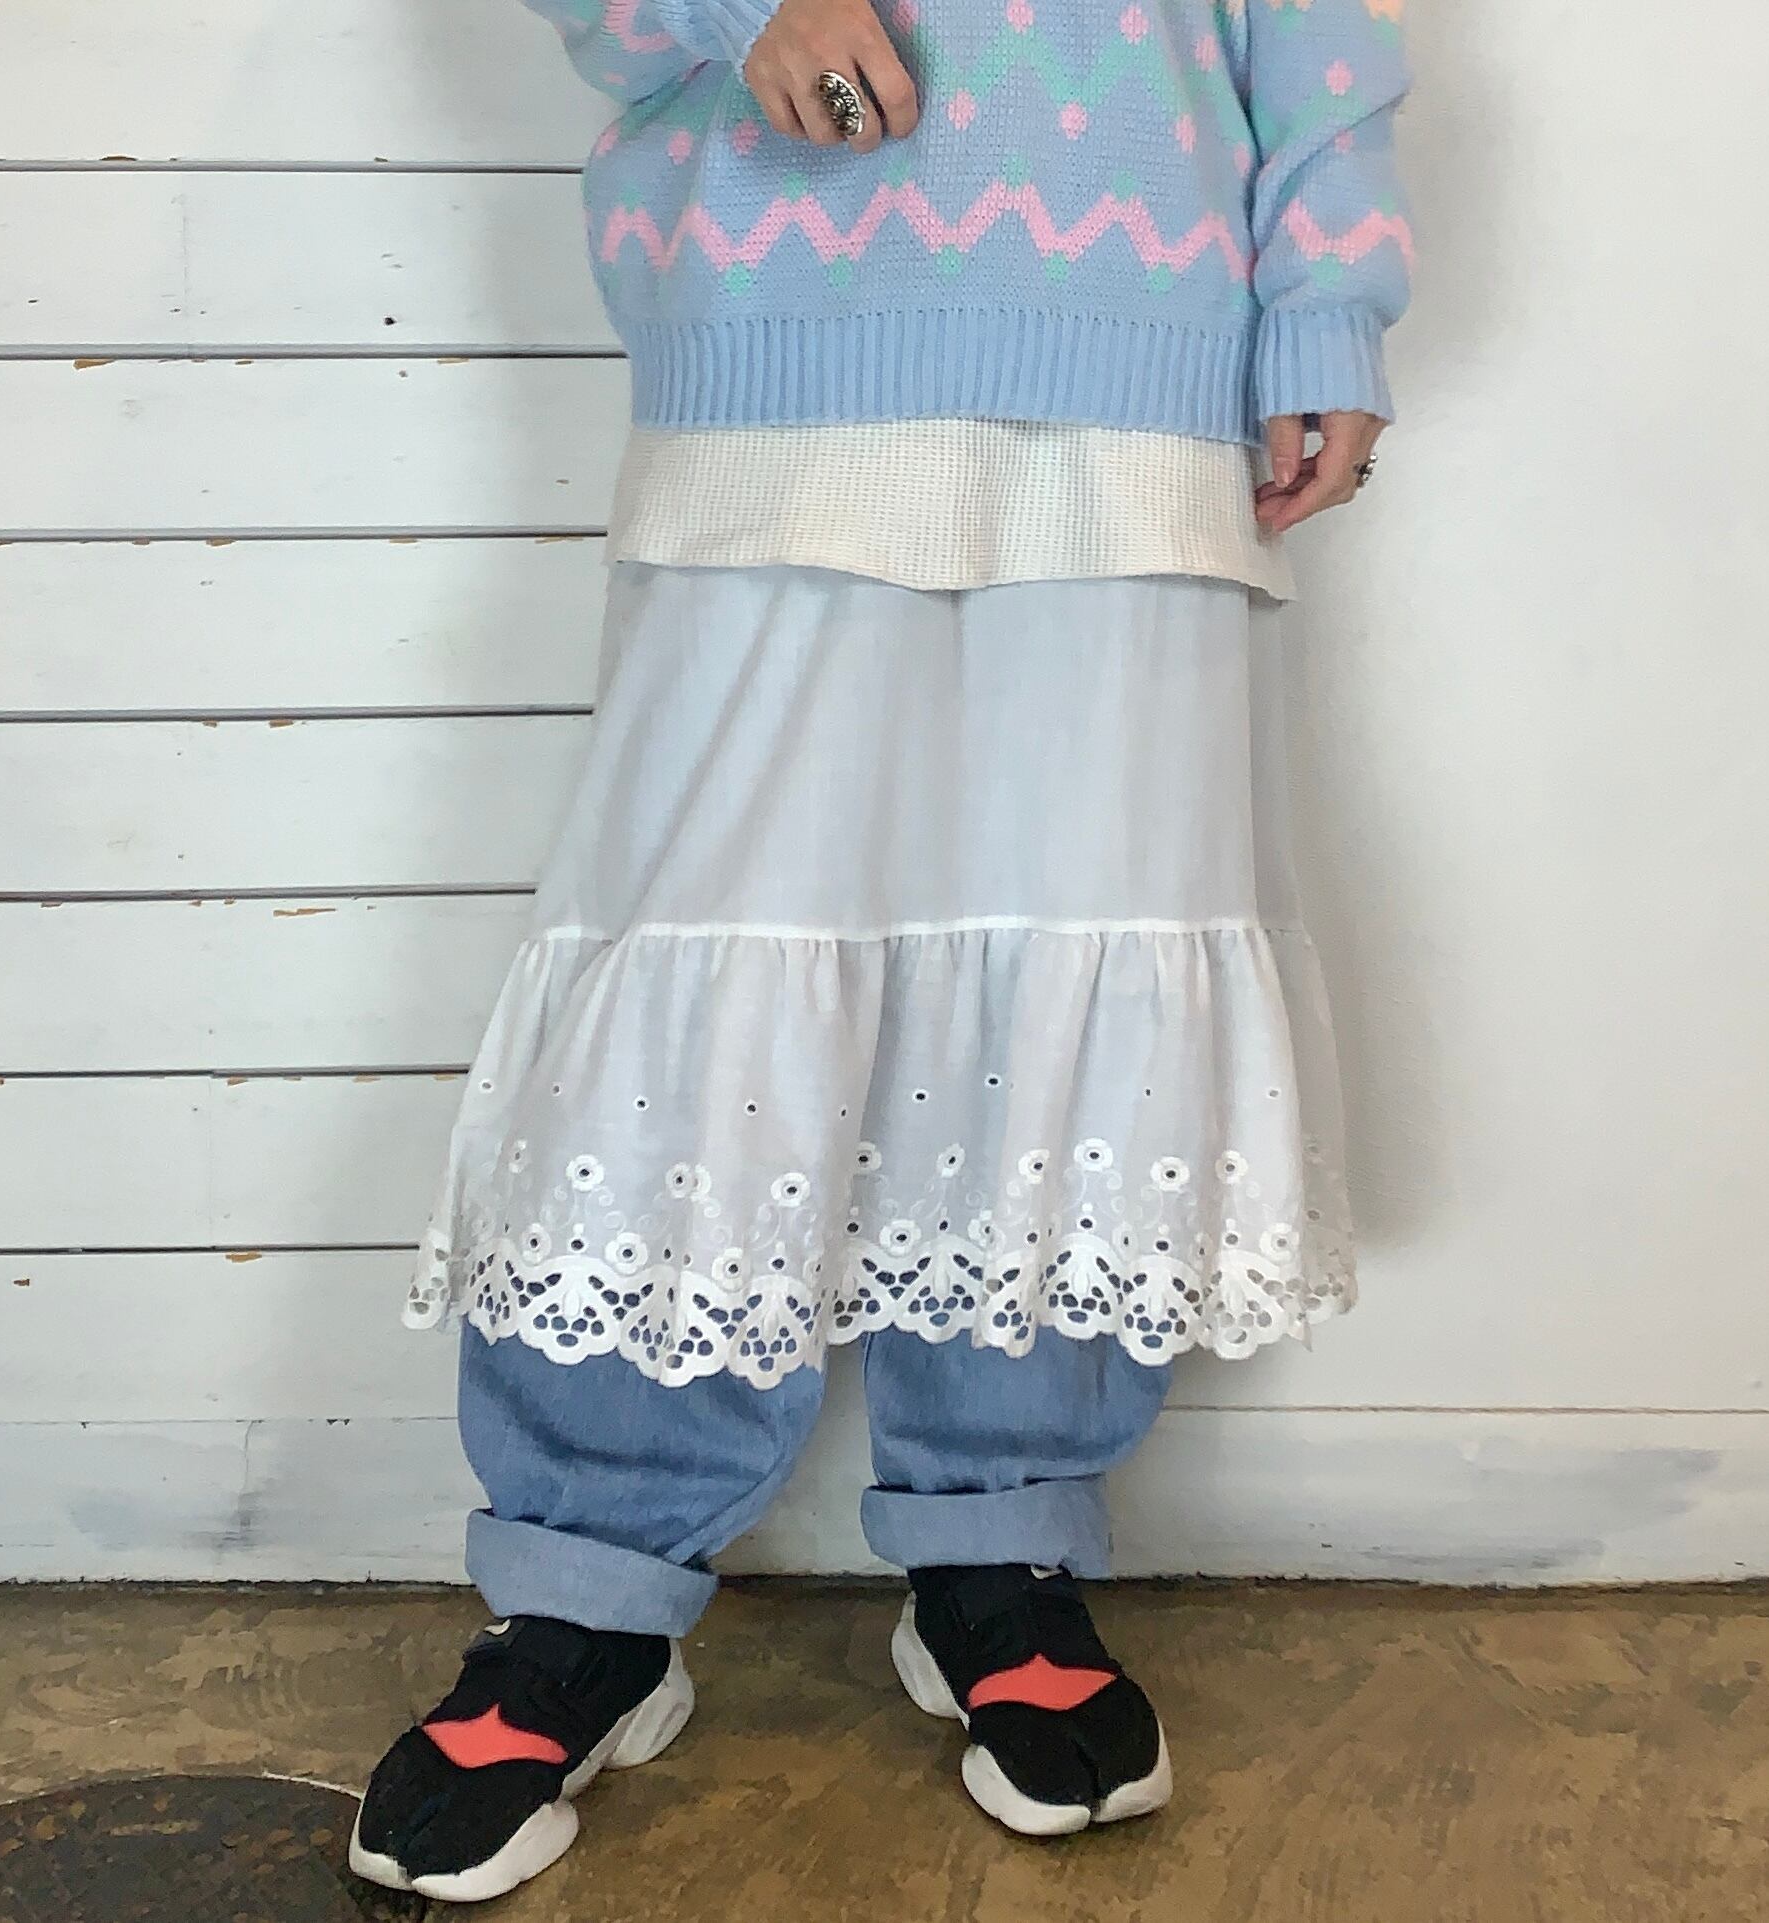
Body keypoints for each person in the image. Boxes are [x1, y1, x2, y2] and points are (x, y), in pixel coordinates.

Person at [352, 0, 1411, 1901]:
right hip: (784, 330)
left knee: (1078, 958)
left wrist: (1326, 304)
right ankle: (589, 1583)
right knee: (706, 957)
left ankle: (1000, 1542)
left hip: (1144, 361)